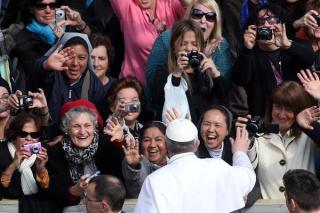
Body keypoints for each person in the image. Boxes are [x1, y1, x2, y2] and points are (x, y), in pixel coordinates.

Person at [135, 118, 256, 213]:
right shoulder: (218, 167)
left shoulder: (155, 180)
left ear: (166, 144)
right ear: (197, 144)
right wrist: (240, 152)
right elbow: (248, 177)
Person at [237, 81, 319, 199]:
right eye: (278, 107)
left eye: (289, 109)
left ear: (300, 109)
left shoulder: (309, 134)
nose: (282, 114)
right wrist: (247, 136)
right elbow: (249, 166)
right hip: (268, 208)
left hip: (304, 208)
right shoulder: (259, 134)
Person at [232, 3, 314, 117]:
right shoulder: (249, 54)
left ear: (282, 25)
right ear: (253, 28)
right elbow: (240, 79)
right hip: (266, 119)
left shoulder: (294, 45)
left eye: (272, 21)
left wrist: (288, 45)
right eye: (260, 22)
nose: (266, 25)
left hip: (300, 116)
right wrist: (247, 50)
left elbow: (309, 59)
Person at [146, 0, 232, 108]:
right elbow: (153, 83)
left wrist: (205, 63)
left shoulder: (221, 45)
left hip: (206, 115)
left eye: (210, 16)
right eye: (198, 14)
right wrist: (177, 71)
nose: (203, 20)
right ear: (188, 16)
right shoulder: (167, 39)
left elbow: (223, 93)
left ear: (216, 22)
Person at [46, 103, 120, 210]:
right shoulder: (55, 152)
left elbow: (120, 181)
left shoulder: (107, 144)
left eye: (87, 125)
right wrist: (74, 191)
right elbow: (54, 194)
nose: (82, 131)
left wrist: (120, 143)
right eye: (76, 126)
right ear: (67, 130)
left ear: (94, 128)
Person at [152, 19, 226, 124]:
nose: (189, 48)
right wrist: (177, 74)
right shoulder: (164, 72)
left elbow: (222, 100)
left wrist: (215, 74)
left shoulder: (205, 71)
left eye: (195, 44)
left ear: (200, 47)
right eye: (183, 44)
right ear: (174, 47)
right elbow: (159, 103)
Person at [12, 0, 90, 92]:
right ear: (32, 9)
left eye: (53, 5)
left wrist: (80, 23)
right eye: (41, 6)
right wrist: (61, 41)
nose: (48, 11)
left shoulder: (67, 24)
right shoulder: (24, 36)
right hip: (43, 93)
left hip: (74, 89)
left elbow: (91, 43)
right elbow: (32, 71)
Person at [109, 0, 189, 87]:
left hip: (170, 85)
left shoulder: (170, 3)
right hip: (135, 87)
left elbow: (192, 9)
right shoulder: (127, 8)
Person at [34, 32, 106, 124]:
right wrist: (46, 65)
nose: (75, 63)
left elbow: (99, 120)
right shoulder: (51, 74)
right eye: (69, 56)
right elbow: (35, 73)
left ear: (88, 59)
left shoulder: (94, 84)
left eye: (81, 57)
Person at [0, 112, 53, 212]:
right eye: (23, 134)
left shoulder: (45, 151)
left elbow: (52, 192)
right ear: (14, 134)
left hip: (39, 207)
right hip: (8, 207)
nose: (29, 139)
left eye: (34, 135)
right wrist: (13, 165)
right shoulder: (2, 150)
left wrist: (41, 169)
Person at [122, 121, 167, 198]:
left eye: (158, 139)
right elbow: (137, 191)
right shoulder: (137, 163)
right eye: (146, 140)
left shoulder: (176, 162)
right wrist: (133, 167)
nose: (152, 145)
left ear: (167, 143)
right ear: (140, 143)